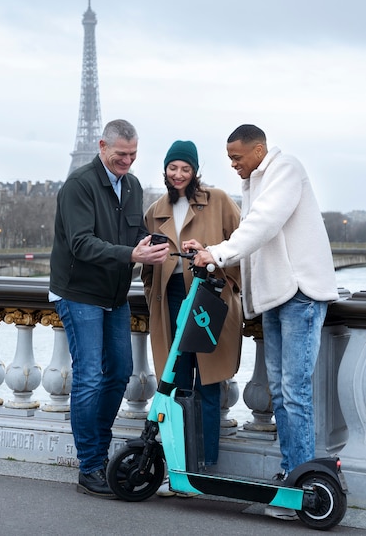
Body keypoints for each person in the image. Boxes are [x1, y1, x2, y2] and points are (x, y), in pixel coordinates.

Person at [187, 124, 338, 520]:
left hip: (300, 294)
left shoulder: (285, 169)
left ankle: (302, 486)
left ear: (258, 150)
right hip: (278, 298)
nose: (233, 165)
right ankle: (293, 474)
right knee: (283, 395)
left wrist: (217, 254)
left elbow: (263, 225)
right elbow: (253, 237)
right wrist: (212, 252)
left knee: (293, 393)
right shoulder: (255, 182)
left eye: (237, 157)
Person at [49, 119, 169, 498]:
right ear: (102, 147)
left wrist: (158, 244)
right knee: (89, 376)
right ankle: (89, 466)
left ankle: (98, 454)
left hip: (113, 296)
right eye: (121, 155)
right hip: (79, 292)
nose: (128, 162)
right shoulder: (78, 185)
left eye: (133, 155)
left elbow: (130, 234)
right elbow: (82, 244)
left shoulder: (131, 186)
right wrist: (131, 254)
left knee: (118, 373)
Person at [142, 140, 242, 495]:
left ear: (195, 171)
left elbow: (242, 248)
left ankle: (207, 468)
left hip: (209, 302)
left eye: (185, 168)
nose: (179, 175)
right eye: (173, 168)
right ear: (165, 170)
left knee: (210, 385)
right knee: (177, 387)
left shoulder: (220, 201)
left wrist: (221, 272)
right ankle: (179, 469)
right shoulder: (155, 209)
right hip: (171, 305)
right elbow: (148, 262)